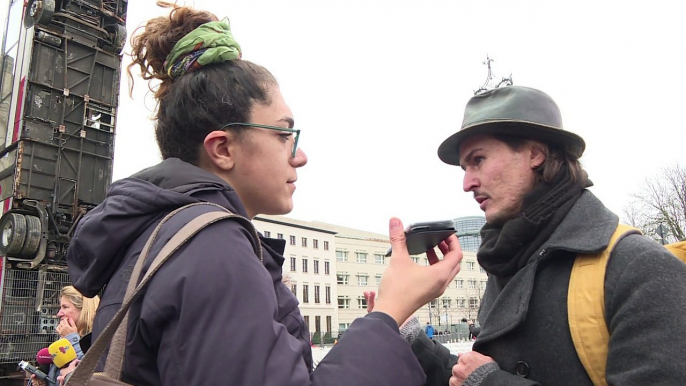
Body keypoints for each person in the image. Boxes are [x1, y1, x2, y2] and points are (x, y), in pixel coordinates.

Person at [66, 3, 462, 385]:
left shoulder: (160, 233)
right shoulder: (212, 247)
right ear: (223, 149)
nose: (300, 155)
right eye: (284, 134)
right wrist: (390, 315)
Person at [435, 85, 686, 385]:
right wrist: (409, 339)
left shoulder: (638, 267)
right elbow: (476, 371)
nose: (467, 183)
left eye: (478, 160)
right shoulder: (506, 262)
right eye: (464, 168)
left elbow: (488, 376)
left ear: (536, 154)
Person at [29, 286, 99, 386]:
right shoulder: (62, 341)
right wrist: (42, 382)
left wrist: (72, 339)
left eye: (65, 307)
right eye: (60, 307)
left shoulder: (97, 338)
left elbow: (89, 372)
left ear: (84, 310)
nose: (59, 314)